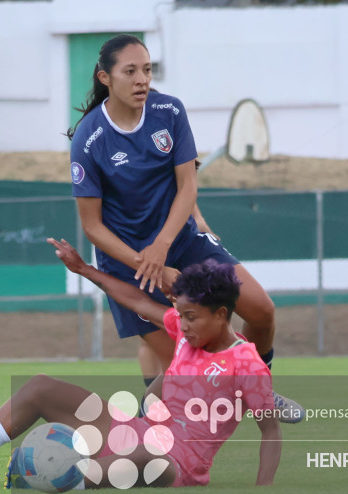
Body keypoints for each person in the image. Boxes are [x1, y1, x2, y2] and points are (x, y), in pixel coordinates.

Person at [66, 34, 301, 421]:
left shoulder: (169, 111)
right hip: (128, 264)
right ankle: (143, 432)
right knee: (187, 364)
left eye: (147, 70)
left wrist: (162, 246)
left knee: (262, 310)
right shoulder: (89, 139)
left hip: (182, 241)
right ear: (105, 77)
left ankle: (258, 391)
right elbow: (92, 226)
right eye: (130, 71)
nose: (142, 79)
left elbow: (188, 186)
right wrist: (149, 264)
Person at [0, 247, 282, 489]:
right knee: (40, 387)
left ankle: (56, 476)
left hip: (177, 464)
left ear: (221, 314)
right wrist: (85, 270)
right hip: (138, 433)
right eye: (180, 315)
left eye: (191, 317)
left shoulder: (246, 363)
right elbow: (135, 300)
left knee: (149, 459)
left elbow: (270, 431)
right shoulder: (187, 331)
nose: (180, 325)